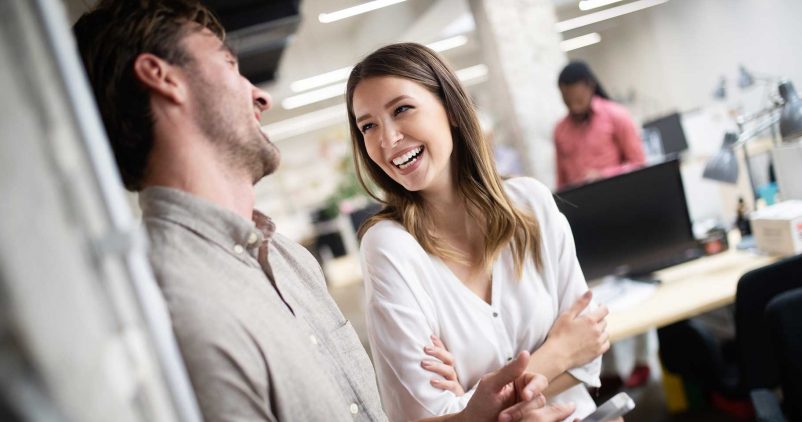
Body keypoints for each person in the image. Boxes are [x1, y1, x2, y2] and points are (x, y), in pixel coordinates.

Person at [72, 1, 575, 421]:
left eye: (402, 109)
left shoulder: (289, 260)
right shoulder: (169, 301)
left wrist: (470, 416)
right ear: (162, 77)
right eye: (228, 65)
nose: (260, 95)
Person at [346, 43, 610, 422]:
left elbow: (590, 351)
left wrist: (474, 404)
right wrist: (558, 353)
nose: (387, 140)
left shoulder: (531, 203)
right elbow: (423, 415)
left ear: (452, 109)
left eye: (401, 109)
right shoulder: (388, 247)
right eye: (368, 126)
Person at [554, 61, 645, 190]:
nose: (574, 107)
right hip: (580, 199)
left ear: (590, 87)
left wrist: (604, 175)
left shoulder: (616, 115)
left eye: (578, 100)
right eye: (567, 101)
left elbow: (639, 164)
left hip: (616, 192)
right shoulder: (560, 130)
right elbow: (561, 182)